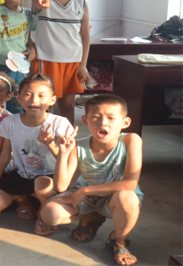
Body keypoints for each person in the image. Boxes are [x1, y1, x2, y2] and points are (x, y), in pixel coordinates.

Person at [38, 95, 142, 265]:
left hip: (113, 199)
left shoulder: (131, 140)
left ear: (125, 122)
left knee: (127, 197)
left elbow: (130, 183)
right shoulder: (79, 145)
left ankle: (119, 241)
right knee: (49, 214)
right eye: (96, 117)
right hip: (87, 198)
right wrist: (63, 153)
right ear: (85, 120)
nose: (103, 123)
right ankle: (92, 216)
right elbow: (61, 186)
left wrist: (84, 191)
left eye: (111, 118)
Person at [0, 74, 72, 223]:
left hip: (48, 177)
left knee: (41, 185)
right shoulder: (10, 122)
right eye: (28, 94)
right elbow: (4, 157)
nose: (34, 100)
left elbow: (65, 158)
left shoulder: (59, 123)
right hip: (22, 176)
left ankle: (42, 208)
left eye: (41, 96)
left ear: (52, 100)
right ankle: (26, 199)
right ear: (19, 98)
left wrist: (50, 144)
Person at [32, 0, 91, 124]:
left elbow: (85, 35)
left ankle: (66, 136)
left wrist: (83, 65)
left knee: (67, 105)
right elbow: (37, 4)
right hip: (47, 60)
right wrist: (40, 4)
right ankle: (42, 135)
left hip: (73, 61)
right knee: (45, 105)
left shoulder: (81, 3)